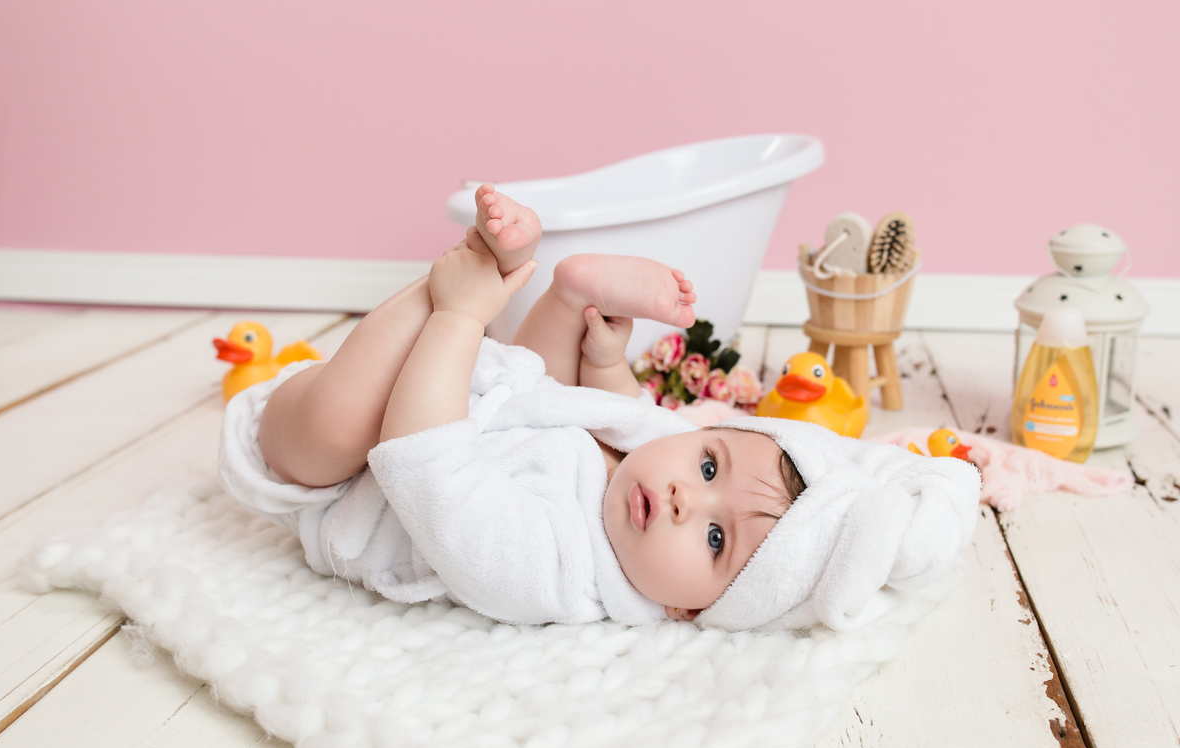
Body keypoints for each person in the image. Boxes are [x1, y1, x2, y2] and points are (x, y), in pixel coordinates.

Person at [221, 186, 981, 631]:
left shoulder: (557, 575)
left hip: (343, 474)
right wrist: (608, 361)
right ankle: (567, 290)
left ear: (695, 613)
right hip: (486, 395)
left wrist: (454, 321)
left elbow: (429, 469)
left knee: (335, 432)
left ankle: (456, 284)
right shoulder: (658, 459)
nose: (689, 496)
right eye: (711, 462)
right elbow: (626, 415)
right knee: (549, 383)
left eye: (715, 538)